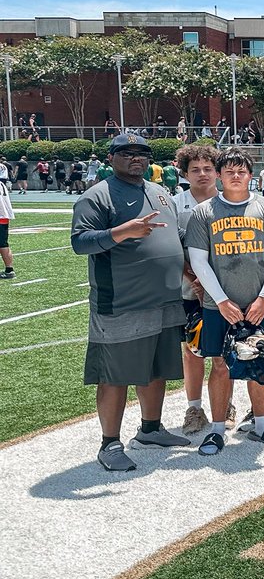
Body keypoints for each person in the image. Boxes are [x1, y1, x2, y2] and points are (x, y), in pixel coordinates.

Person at [70, 133, 190, 471]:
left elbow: (176, 239)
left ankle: (150, 429)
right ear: (112, 158)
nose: (135, 157)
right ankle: (109, 443)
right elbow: (80, 242)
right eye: (127, 152)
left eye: (142, 152)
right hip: (122, 302)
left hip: (165, 300)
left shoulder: (160, 192)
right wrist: (122, 232)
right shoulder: (98, 196)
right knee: (116, 374)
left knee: (154, 368)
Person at [185, 147, 264, 454]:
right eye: (228, 171)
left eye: (241, 171)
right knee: (220, 365)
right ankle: (217, 430)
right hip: (220, 306)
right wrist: (220, 301)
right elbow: (199, 261)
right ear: (219, 175)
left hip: (261, 304)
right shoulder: (204, 212)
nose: (235, 176)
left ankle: (262, 424)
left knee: (260, 361)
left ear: (250, 176)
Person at [173, 143, 229, 436]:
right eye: (195, 169)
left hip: (225, 291)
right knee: (191, 351)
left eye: (208, 168)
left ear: (217, 172)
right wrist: (194, 278)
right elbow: (171, 247)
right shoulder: (174, 203)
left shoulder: (229, 201)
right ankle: (194, 407)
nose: (203, 174)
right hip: (189, 290)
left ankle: (226, 402)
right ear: (184, 173)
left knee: (226, 350)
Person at [0, 162, 15, 279]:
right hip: (4, 216)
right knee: (3, 244)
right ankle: (9, 269)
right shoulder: (3, 185)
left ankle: (9, 270)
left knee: (3, 244)